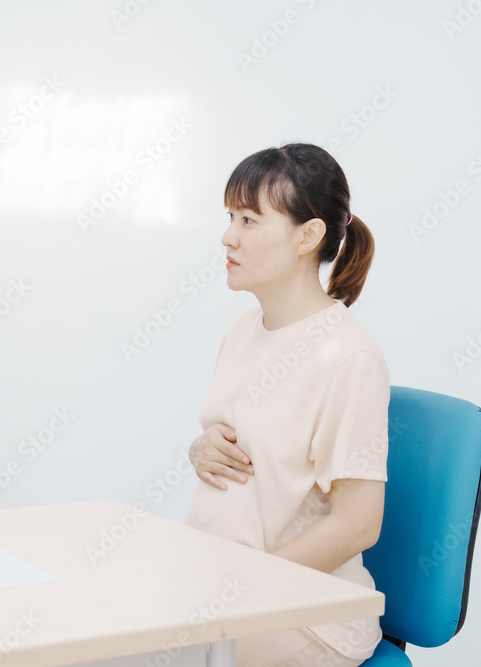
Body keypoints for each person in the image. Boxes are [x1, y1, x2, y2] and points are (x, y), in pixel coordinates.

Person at [186, 143, 389, 666]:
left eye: (250, 220)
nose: (228, 236)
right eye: (231, 217)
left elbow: (358, 524)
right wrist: (201, 448)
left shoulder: (348, 357)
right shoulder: (242, 331)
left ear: (308, 235)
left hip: (305, 615)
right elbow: (252, 447)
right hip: (222, 590)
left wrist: (246, 589)